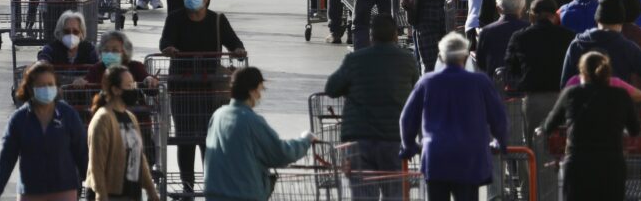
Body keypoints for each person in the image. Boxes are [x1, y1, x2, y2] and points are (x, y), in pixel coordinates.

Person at [159, 0, 246, 193]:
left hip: (212, 90)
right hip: (182, 89)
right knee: (185, 139)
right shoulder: (175, 19)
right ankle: (187, 186)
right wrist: (169, 49)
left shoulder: (217, 21)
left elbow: (235, 43)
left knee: (210, 141)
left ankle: (211, 185)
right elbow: (165, 42)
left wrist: (237, 50)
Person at [400, 33, 507, 201]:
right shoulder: (480, 82)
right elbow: (498, 117)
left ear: (441, 57)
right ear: (465, 57)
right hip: (469, 158)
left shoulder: (427, 82)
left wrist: (409, 145)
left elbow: (407, 119)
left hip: (436, 157)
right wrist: (500, 142)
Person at [325, 14, 418, 196]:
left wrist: (352, 87)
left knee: (363, 195)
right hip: (394, 138)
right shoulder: (407, 60)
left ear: (371, 36)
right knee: (395, 194)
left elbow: (332, 88)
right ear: (395, 36)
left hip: (359, 138)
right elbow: (417, 90)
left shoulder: (355, 59)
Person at [541, 51, 641, 201]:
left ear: (582, 73)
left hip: (578, 164)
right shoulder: (621, 95)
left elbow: (549, 125)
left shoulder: (571, 94)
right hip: (611, 164)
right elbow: (634, 129)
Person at [204, 67, 314, 201]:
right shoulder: (251, 121)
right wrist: (305, 140)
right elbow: (281, 153)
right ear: (251, 91)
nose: (260, 95)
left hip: (214, 193)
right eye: (260, 90)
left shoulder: (218, 115)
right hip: (242, 195)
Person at [0, 61, 88, 200]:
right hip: (30, 192)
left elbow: (82, 153)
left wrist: (92, 186)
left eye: (50, 85)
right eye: (41, 86)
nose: (46, 89)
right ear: (29, 88)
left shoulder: (68, 115)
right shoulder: (19, 119)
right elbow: (6, 160)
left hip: (64, 190)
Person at [559, 0, 641, 99]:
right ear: (621, 21)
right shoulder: (627, 47)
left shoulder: (577, 44)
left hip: (582, 112)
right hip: (617, 111)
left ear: (597, 19)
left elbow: (565, 83)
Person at [505, 0, 575, 141]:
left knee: (536, 146)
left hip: (534, 99)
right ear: (556, 16)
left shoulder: (519, 37)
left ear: (531, 16)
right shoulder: (569, 36)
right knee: (563, 146)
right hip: (564, 98)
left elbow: (511, 67)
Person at [86, 66, 160, 201]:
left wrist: (151, 189)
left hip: (131, 192)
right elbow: (97, 163)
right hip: (110, 194)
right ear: (115, 90)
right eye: (129, 85)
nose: (133, 89)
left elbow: (139, 157)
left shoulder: (130, 117)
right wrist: (101, 195)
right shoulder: (103, 119)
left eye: (133, 84)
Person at [476, 0, 528, 77]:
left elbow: (481, 63)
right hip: (522, 84)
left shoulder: (486, 31)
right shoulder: (528, 28)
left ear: (498, 8)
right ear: (523, 8)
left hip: (495, 83)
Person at [85, 30, 159, 87]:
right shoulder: (96, 69)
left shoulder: (135, 67)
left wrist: (150, 80)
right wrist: (80, 83)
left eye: (115, 50)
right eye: (106, 50)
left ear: (125, 52)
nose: (110, 54)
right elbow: (83, 92)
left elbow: (151, 89)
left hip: (133, 106)